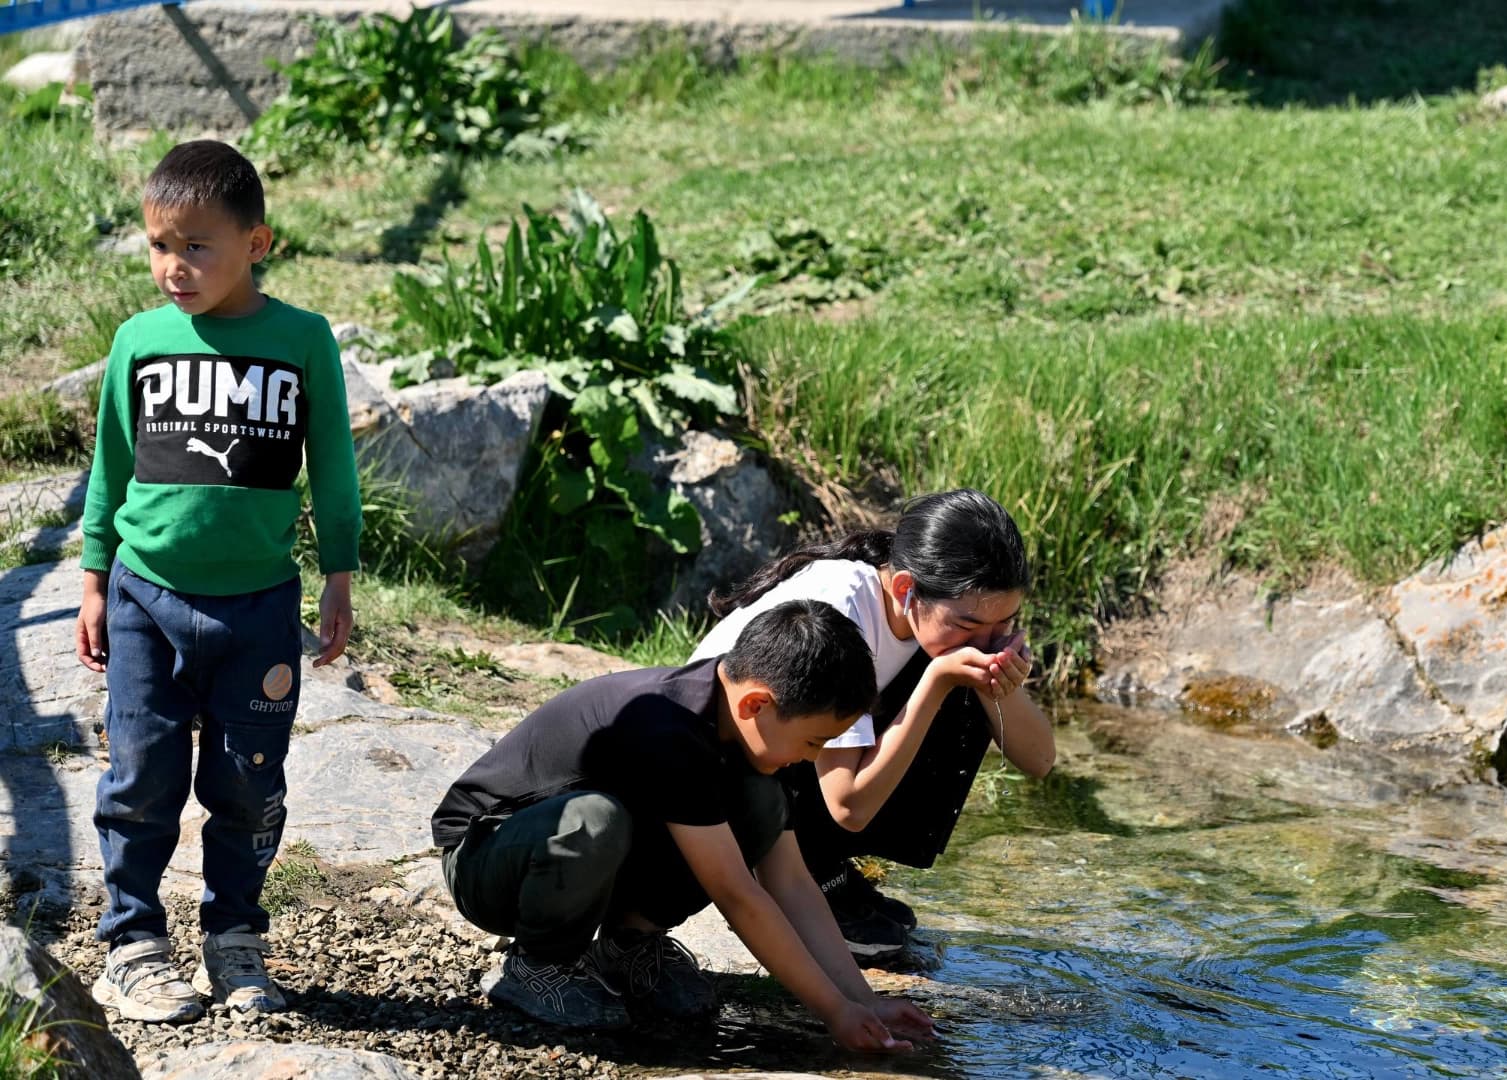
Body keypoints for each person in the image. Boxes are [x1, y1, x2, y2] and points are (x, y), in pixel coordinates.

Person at [75, 140, 362, 1022]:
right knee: (141, 776)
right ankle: (131, 945)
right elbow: (110, 464)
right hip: (145, 596)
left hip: (260, 606)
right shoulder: (138, 340)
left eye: (197, 246)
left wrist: (339, 572)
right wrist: (93, 577)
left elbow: (334, 463)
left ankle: (235, 938)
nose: (175, 266)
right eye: (160, 245)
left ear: (256, 243)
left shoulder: (302, 340)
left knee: (248, 782)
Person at [429, 599, 938, 1049]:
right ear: (756, 703)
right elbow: (738, 894)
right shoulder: (669, 729)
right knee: (595, 821)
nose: (810, 758)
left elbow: (791, 882)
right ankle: (541, 963)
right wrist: (832, 1012)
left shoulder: (750, 729)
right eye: (813, 743)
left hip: (590, 857)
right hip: (490, 857)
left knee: (758, 801)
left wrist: (863, 1001)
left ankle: (627, 945)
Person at [690, 489, 1055, 960]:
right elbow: (848, 806)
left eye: (1005, 622)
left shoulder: (925, 614)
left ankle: (828, 870)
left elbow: (1039, 760)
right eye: (969, 625)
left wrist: (997, 680)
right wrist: (936, 683)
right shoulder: (841, 612)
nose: (986, 640)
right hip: (722, 780)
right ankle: (808, 874)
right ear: (906, 589)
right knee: (944, 675)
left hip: (792, 770)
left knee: (963, 684)